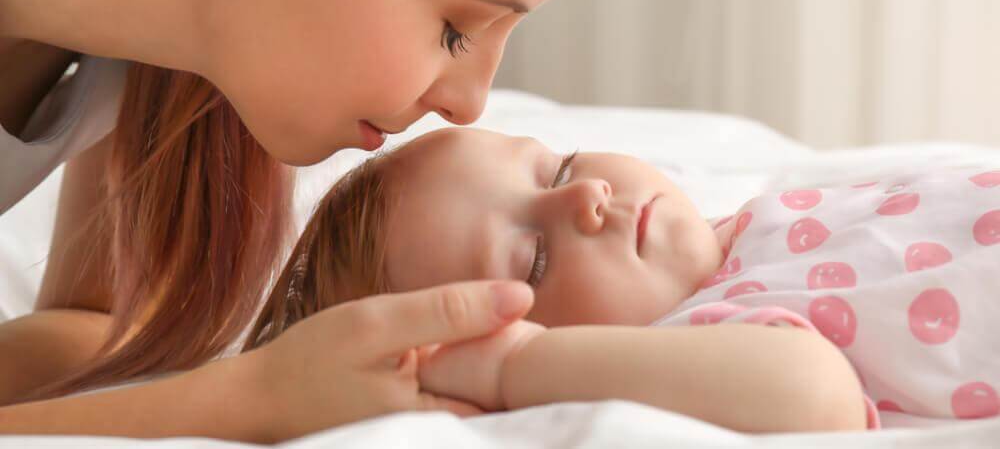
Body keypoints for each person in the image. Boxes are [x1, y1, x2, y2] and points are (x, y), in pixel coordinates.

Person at [0, 0, 650, 441]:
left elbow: (89, 333)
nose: (468, 103)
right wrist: (244, 399)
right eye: (455, 28)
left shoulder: (153, 11)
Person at [245, 127, 1000, 432]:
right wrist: (511, 369)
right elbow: (816, 396)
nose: (584, 199)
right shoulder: (694, 339)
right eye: (532, 257)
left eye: (558, 168)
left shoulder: (754, 219)